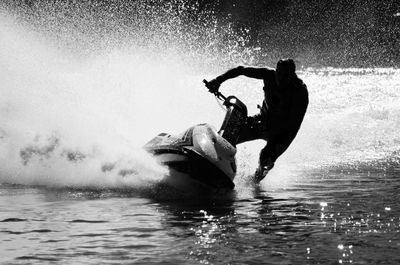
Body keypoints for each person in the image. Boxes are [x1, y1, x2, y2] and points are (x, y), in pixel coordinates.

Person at [205, 59, 308, 182]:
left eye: (286, 76)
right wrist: (218, 81)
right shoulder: (269, 75)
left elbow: (294, 123)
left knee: (265, 160)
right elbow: (241, 70)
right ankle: (211, 163)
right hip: (261, 120)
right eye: (279, 74)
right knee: (227, 140)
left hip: (283, 134)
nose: (281, 79)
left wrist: (269, 128)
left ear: (293, 75)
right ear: (276, 71)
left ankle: (253, 183)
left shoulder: (299, 91)